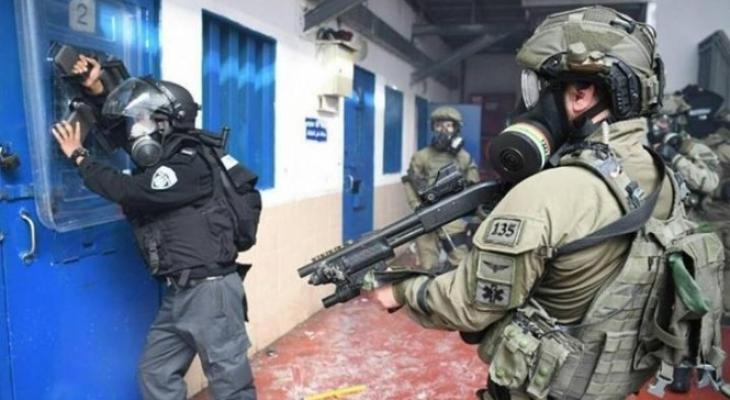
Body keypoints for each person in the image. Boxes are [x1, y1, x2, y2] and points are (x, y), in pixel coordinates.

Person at [367, 6, 725, 400]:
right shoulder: (664, 176)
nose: (530, 106)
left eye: (538, 90)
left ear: (581, 95)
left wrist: (400, 291)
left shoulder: (548, 193)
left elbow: (467, 306)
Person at [52, 55, 258, 400]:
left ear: (166, 123)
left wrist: (80, 157)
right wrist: (98, 89)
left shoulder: (189, 162)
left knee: (230, 384)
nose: (137, 127)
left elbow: (130, 191)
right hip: (180, 292)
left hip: (210, 293)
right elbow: (121, 131)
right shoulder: (168, 157)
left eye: (144, 119)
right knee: (155, 373)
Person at [402, 106, 480, 270]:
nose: (443, 130)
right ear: (433, 128)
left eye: (448, 125)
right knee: (427, 264)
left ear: (456, 128)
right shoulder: (422, 156)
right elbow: (409, 182)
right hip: (426, 216)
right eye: (439, 125)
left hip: (453, 217)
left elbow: (474, 188)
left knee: (460, 262)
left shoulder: (463, 157)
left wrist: (472, 217)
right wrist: (417, 207)